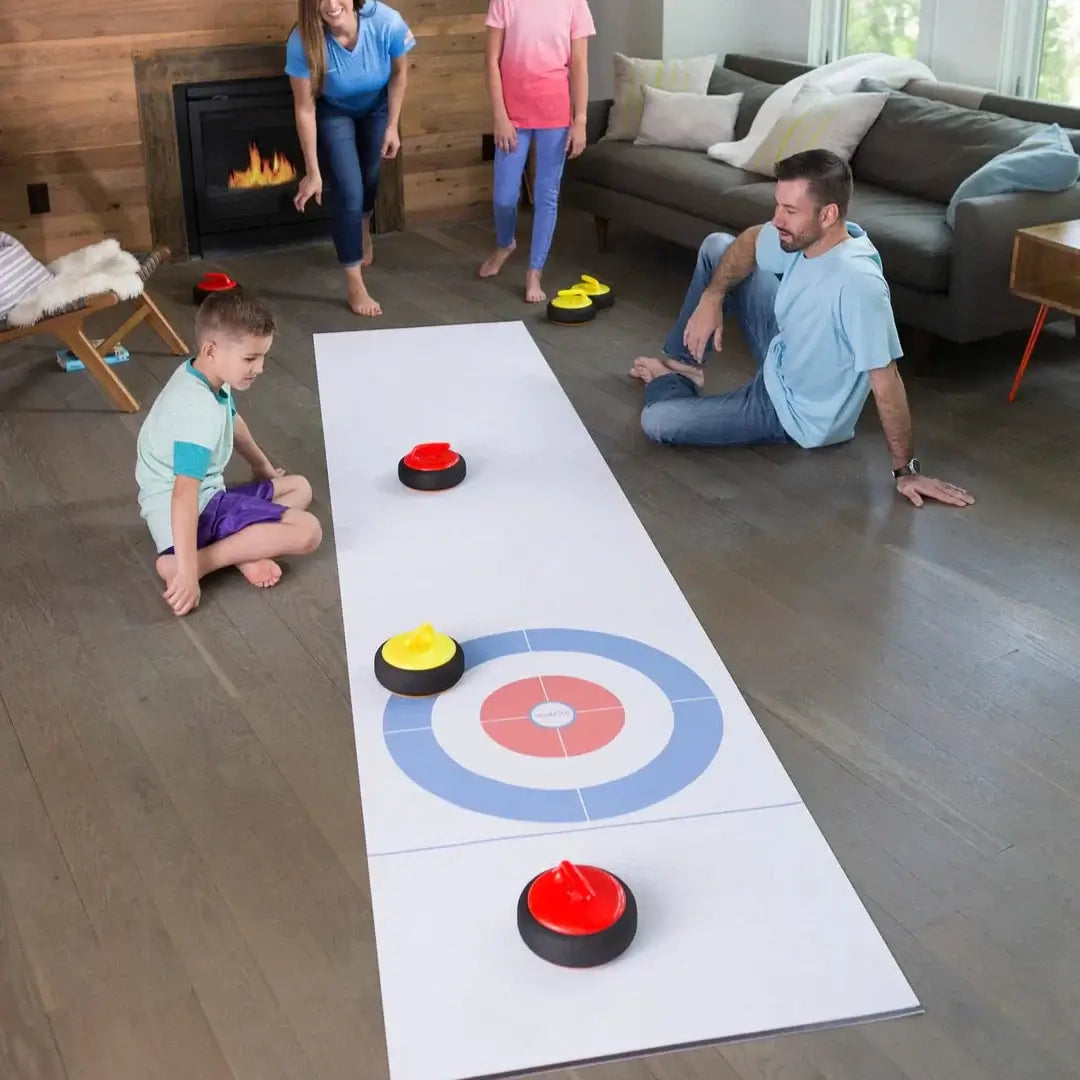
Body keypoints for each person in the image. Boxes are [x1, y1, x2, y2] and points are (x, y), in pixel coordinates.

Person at [630, 149, 975, 510]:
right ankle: (683, 365)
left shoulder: (858, 284)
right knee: (719, 246)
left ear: (828, 214)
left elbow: (886, 380)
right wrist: (712, 297)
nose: (777, 219)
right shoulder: (802, 238)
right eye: (778, 205)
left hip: (792, 411)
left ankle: (667, 380)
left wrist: (907, 471)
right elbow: (748, 240)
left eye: (790, 211)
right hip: (784, 347)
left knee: (658, 421)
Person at [135, 291, 323, 617]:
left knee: (299, 487)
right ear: (211, 349)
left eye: (263, 357)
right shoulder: (197, 411)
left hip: (196, 503)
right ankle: (194, 564)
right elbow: (184, 493)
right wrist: (189, 575)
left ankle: (237, 549)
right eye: (250, 359)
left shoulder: (202, 373)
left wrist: (261, 466)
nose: (260, 368)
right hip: (192, 515)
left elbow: (232, 419)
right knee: (308, 532)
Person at [286, 0, 415, 317]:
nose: (330, 4)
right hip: (335, 111)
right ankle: (355, 284)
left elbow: (400, 73)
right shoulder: (302, 41)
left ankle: (363, 226)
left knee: (370, 179)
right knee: (349, 191)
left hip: (377, 107)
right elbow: (304, 108)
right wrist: (312, 171)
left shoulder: (386, 22)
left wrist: (392, 127)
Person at [477, 0, 595, 303]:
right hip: (513, 116)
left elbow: (580, 64)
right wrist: (500, 117)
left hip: (555, 114)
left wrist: (580, 120)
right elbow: (492, 61)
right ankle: (505, 244)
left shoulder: (574, 4)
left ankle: (534, 272)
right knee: (504, 197)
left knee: (547, 197)